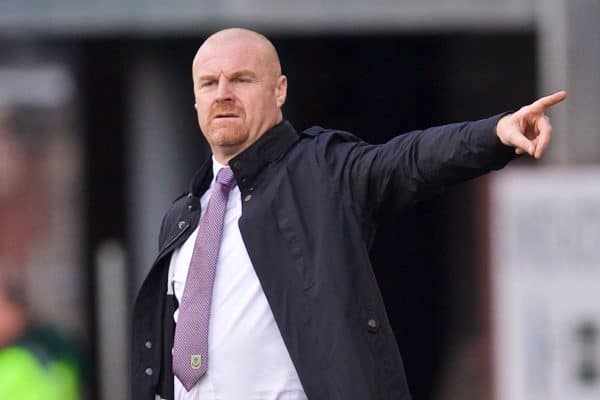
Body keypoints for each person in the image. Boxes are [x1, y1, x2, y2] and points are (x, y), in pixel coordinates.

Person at [131, 28, 566, 400]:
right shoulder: (185, 217)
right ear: (195, 99)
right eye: (209, 83)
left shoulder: (323, 171)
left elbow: (408, 161)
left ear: (278, 90)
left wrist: (493, 135)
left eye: (240, 79)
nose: (222, 94)